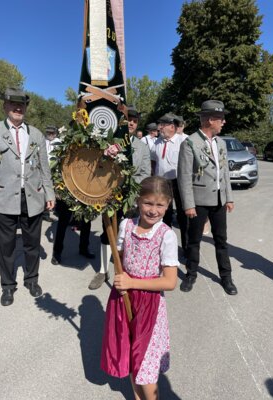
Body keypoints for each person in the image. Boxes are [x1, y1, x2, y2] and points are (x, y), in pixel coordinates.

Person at [101, 176, 178, 400]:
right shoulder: (127, 225)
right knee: (132, 356)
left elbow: (170, 282)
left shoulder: (167, 236)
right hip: (123, 297)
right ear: (138, 201)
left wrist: (132, 282)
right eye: (148, 203)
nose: (153, 210)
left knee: (145, 363)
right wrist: (120, 269)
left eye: (159, 205)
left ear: (168, 204)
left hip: (149, 305)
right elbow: (120, 259)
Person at [0, 88, 55, 306]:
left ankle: (32, 280)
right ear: (5, 106)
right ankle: (8, 286)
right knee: (6, 245)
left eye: (21, 104)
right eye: (13, 104)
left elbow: (45, 168)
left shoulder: (36, 134)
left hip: (32, 197)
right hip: (3, 197)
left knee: (32, 243)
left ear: (25, 108)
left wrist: (49, 194)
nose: (17, 108)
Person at [177, 100, 237, 295]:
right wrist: (188, 205)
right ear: (211, 120)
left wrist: (228, 197)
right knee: (194, 240)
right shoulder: (190, 143)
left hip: (219, 200)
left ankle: (226, 277)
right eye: (221, 119)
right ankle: (191, 274)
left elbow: (225, 171)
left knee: (221, 240)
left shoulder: (221, 142)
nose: (224, 122)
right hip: (198, 202)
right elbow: (184, 176)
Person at [88, 106, 151, 290]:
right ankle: (102, 271)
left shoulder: (142, 147)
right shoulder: (108, 142)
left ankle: (127, 270)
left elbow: (146, 173)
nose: (131, 123)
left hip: (131, 196)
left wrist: (130, 184)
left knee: (130, 234)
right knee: (108, 234)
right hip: (109, 195)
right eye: (128, 119)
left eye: (134, 120)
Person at [151, 112, 189, 253]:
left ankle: (186, 248)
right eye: (159, 125)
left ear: (172, 127)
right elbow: (153, 162)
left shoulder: (184, 141)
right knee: (164, 214)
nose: (159, 128)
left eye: (162, 125)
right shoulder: (157, 142)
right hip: (162, 183)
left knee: (182, 215)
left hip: (178, 183)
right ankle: (166, 246)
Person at [43, 125, 60, 222]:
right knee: (45, 192)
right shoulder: (43, 141)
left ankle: (55, 209)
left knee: (55, 191)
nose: (50, 135)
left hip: (55, 171)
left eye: (52, 133)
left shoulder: (58, 142)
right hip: (44, 170)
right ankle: (45, 213)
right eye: (48, 133)